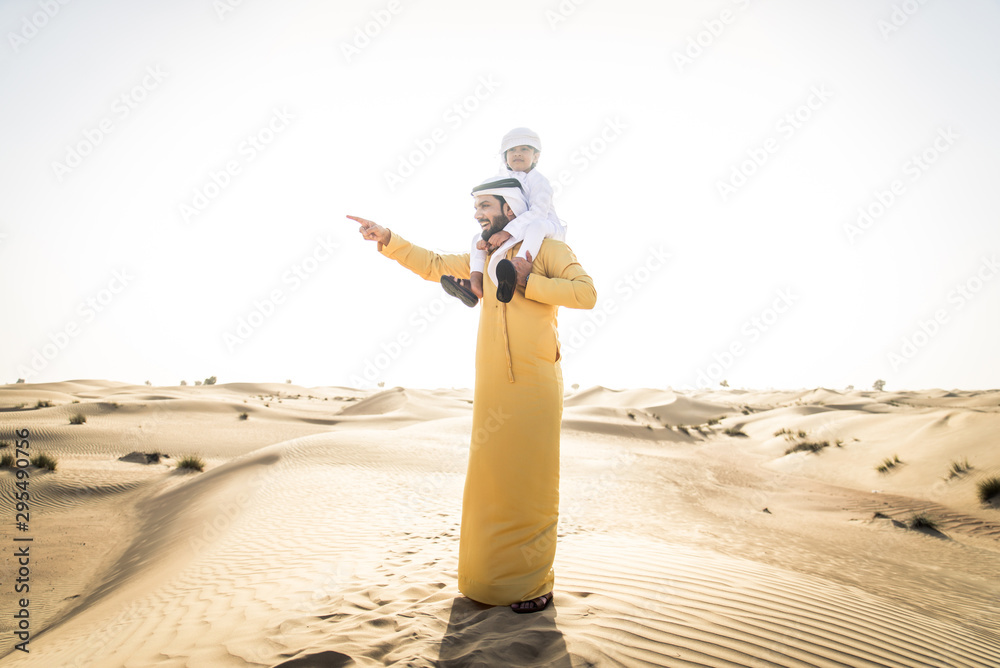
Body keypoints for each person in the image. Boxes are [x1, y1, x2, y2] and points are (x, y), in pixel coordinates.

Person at [348, 177, 596, 613]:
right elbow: (434, 263)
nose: (478, 213)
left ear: (510, 206)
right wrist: (388, 238)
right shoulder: (486, 255)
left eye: (485, 204)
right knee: (491, 482)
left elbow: (585, 294)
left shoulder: (547, 249)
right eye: (476, 206)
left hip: (536, 382)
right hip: (493, 382)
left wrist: (526, 283)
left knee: (529, 482)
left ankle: (534, 585)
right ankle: (484, 582)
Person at [452, 127, 566, 306]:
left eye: (524, 149)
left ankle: (514, 270)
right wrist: (488, 238)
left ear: (536, 157)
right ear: (504, 157)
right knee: (477, 238)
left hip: (546, 228)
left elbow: (538, 213)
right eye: (512, 150)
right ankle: (475, 283)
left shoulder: (539, 181)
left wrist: (506, 233)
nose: (517, 154)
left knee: (536, 226)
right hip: (517, 231)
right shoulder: (504, 180)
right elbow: (499, 214)